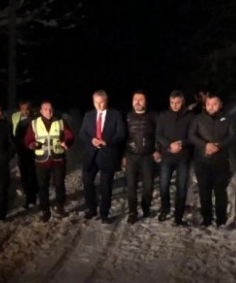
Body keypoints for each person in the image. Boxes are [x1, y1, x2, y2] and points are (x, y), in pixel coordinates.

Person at [188, 94, 236, 227]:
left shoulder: (228, 118)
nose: (211, 107)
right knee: (204, 191)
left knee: (220, 191)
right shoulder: (198, 119)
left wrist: (218, 146)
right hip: (202, 161)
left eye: (214, 104)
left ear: (220, 104)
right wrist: (205, 145)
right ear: (205, 105)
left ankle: (221, 219)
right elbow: (191, 135)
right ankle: (207, 218)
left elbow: (233, 136)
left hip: (220, 160)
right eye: (209, 104)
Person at [79, 90, 126, 223]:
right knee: (87, 182)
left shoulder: (115, 115)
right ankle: (91, 209)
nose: (99, 106)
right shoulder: (88, 115)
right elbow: (82, 134)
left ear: (106, 101)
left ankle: (104, 213)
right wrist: (91, 140)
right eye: (96, 103)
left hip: (108, 154)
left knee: (105, 185)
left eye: (101, 103)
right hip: (91, 155)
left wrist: (108, 142)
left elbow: (121, 134)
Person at [24, 100, 75, 222]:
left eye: (50, 109)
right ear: (41, 111)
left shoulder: (61, 122)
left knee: (59, 184)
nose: (49, 111)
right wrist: (32, 144)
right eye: (46, 109)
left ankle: (60, 206)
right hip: (41, 161)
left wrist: (66, 142)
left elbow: (69, 136)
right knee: (42, 187)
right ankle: (45, 210)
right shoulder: (34, 123)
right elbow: (28, 139)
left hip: (58, 159)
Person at [156, 90, 194, 226]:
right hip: (167, 156)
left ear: (182, 101)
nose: (175, 105)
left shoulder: (190, 117)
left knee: (181, 187)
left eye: (177, 103)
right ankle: (165, 209)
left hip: (183, 157)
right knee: (164, 185)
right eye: (172, 103)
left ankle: (178, 216)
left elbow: (193, 136)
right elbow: (158, 134)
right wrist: (169, 144)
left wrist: (182, 143)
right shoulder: (164, 116)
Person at [123, 90, 160, 224]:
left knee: (148, 185)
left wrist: (158, 150)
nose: (137, 102)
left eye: (141, 99)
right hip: (131, 155)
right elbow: (123, 136)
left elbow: (159, 134)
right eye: (135, 100)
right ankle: (132, 212)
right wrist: (123, 155)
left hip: (148, 156)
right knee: (131, 185)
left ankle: (146, 207)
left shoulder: (153, 116)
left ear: (146, 101)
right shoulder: (127, 116)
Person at [11, 100, 39, 208]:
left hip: (33, 150)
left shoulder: (36, 119)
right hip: (21, 150)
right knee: (24, 175)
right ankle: (28, 197)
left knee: (33, 174)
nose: (25, 111)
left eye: (27, 109)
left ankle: (34, 197)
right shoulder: (15, 117)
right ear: (20, 108)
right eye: (23, 109)